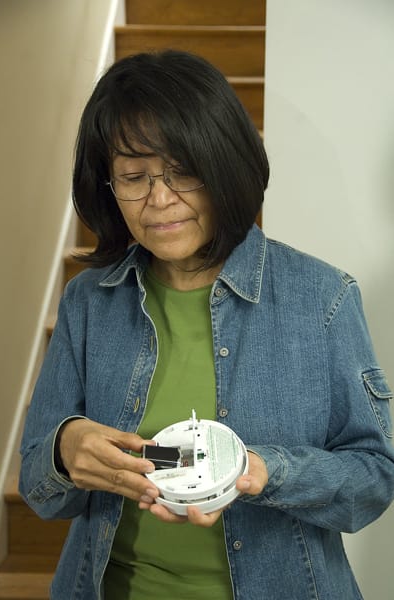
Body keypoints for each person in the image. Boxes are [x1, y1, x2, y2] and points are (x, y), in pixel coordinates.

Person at [19, 49, 394, 600]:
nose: (160, 199)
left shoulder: (323, 299)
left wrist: (266, 472)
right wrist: (63, 449)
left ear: (224, 166)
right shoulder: (87, 303)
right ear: (108, 186)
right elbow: (38, 486)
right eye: (134, 176)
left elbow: (374, 478)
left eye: (183, 171)